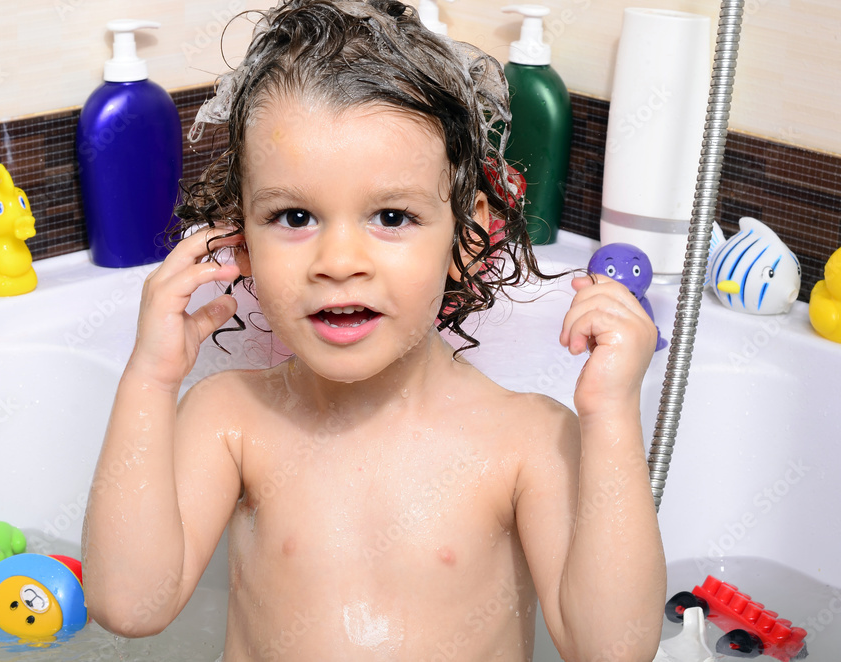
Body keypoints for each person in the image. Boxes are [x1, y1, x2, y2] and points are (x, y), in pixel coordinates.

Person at [82, 1, 666, 660]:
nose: (338, 262)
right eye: (294, 216)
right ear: (240, 237)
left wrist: (611, 415)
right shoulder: (232, 419)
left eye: (390, 217)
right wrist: (151, 379)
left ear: (467, 238)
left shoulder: (528, 440)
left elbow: (612, 649)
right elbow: (129, 605)